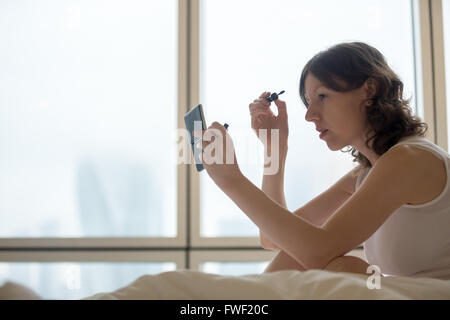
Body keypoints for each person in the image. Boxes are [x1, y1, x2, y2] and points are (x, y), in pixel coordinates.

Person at [197, 42, 450, 279]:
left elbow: (318, 251)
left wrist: (232, 181)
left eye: (323, 97)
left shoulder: (410, 160)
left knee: (344, 267)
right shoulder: (365, 174)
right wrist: (274, 148)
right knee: (315, 259)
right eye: (308, 102)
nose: (310, 115)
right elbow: (274, 240)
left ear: (369, 90)